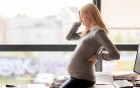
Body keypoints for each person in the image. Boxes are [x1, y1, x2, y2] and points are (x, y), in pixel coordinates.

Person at [59, 3, 120, 88]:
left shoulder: (99, 32)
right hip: (75, 76)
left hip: (83, 78)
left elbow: (115, 55)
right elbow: (69, 37)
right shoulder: (88, 32)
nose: (81, 20)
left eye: (82, 17)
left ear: (90, 15)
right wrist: (78, 22)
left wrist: (97, 57)